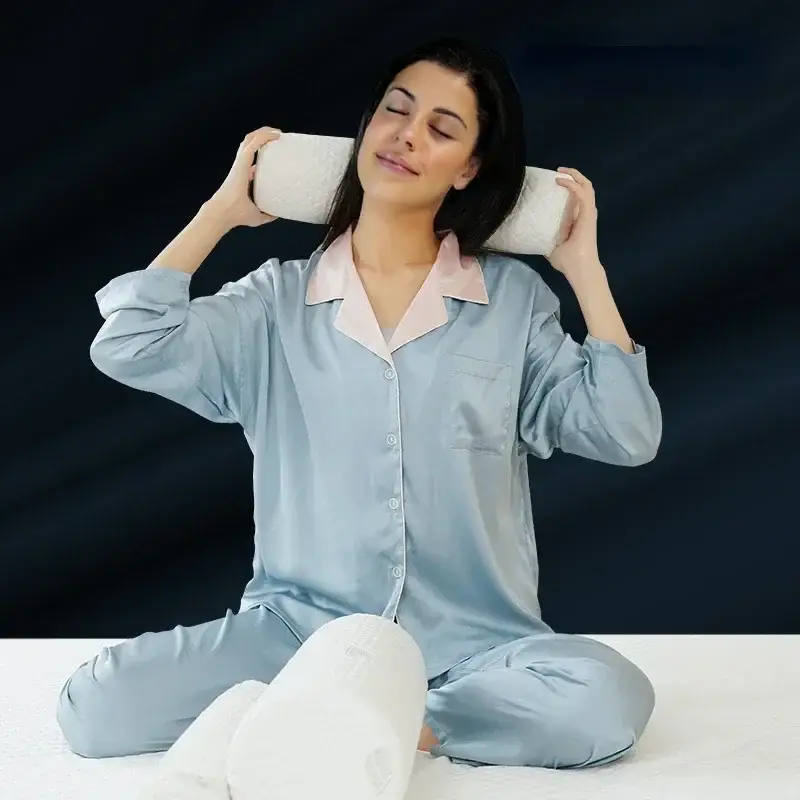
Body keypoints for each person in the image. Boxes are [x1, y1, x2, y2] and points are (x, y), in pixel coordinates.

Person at [57, 36, 662, 769]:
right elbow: (129, 343)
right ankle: (332, 708)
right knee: (95, 708)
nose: (407, 135)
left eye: (441, 128)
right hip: (296, 637)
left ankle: (394, 721)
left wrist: (584, 270)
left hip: (470, 648)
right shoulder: (274, 302)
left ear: (469, 168)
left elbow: (626, 433)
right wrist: (220, 211)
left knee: (606, 699)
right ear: (366, 126)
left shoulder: (513, 303)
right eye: (395, 111)